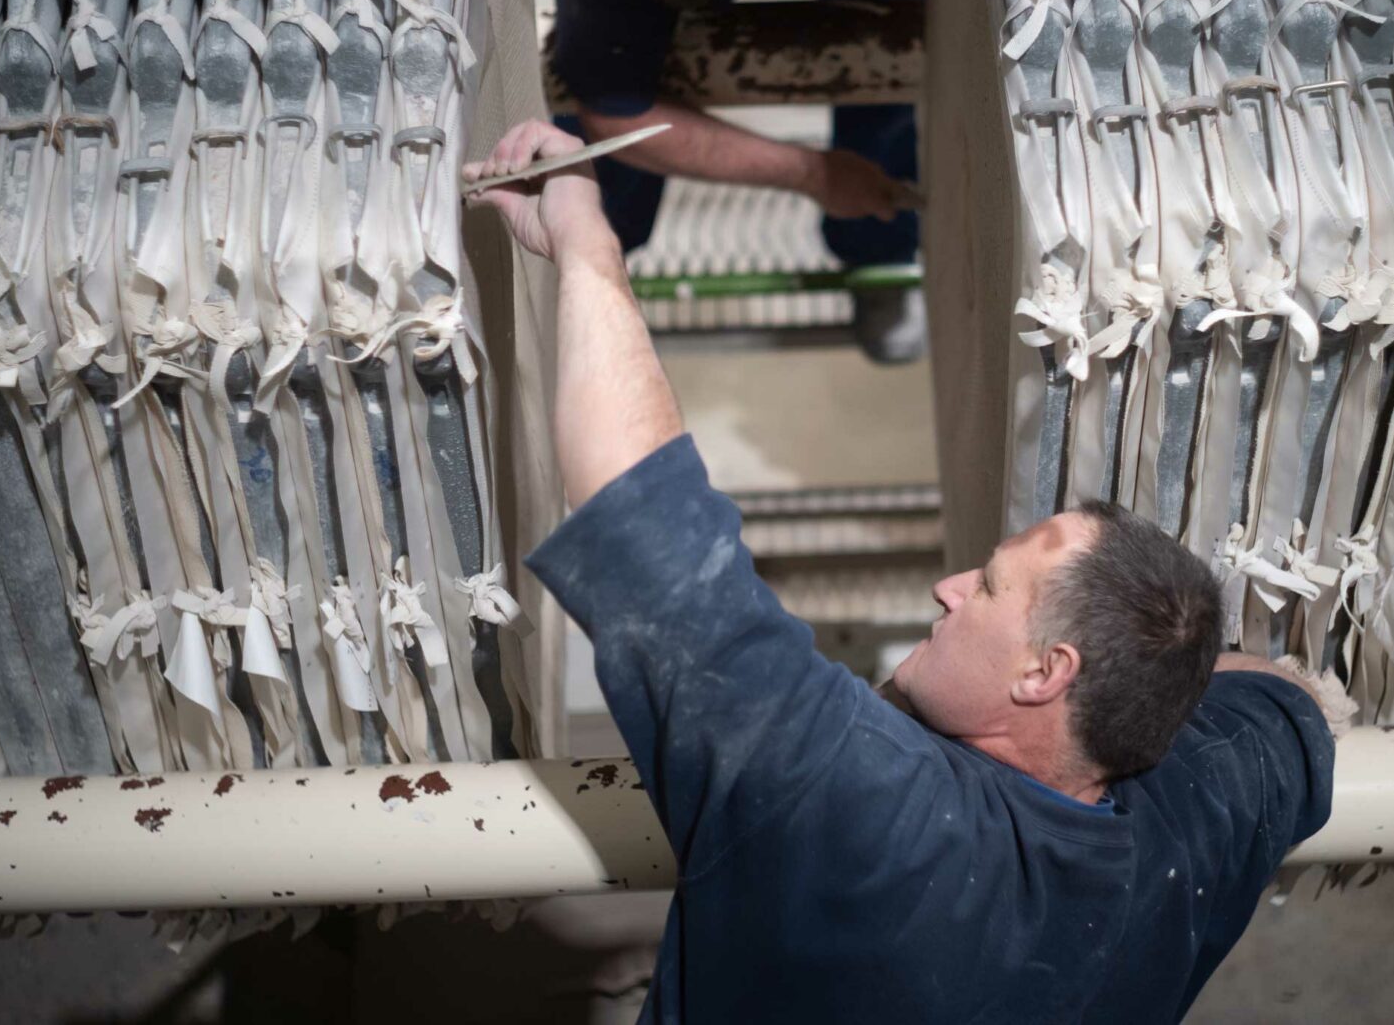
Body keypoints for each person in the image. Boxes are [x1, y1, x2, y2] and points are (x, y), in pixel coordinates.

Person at [465, 121, 1345, 1023]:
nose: (949, 587)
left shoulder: (861, 810)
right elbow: (1292, 703)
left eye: (991, 587)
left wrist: (586, 243)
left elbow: (641, 518)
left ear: (1046, 674)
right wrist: (1173, 680)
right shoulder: (1197, 824)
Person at [550, 0, 939, 364]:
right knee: (604, 66)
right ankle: (598, 261)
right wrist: (813, 173)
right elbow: (614, 107)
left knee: (899, 63)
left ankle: (879, 252)